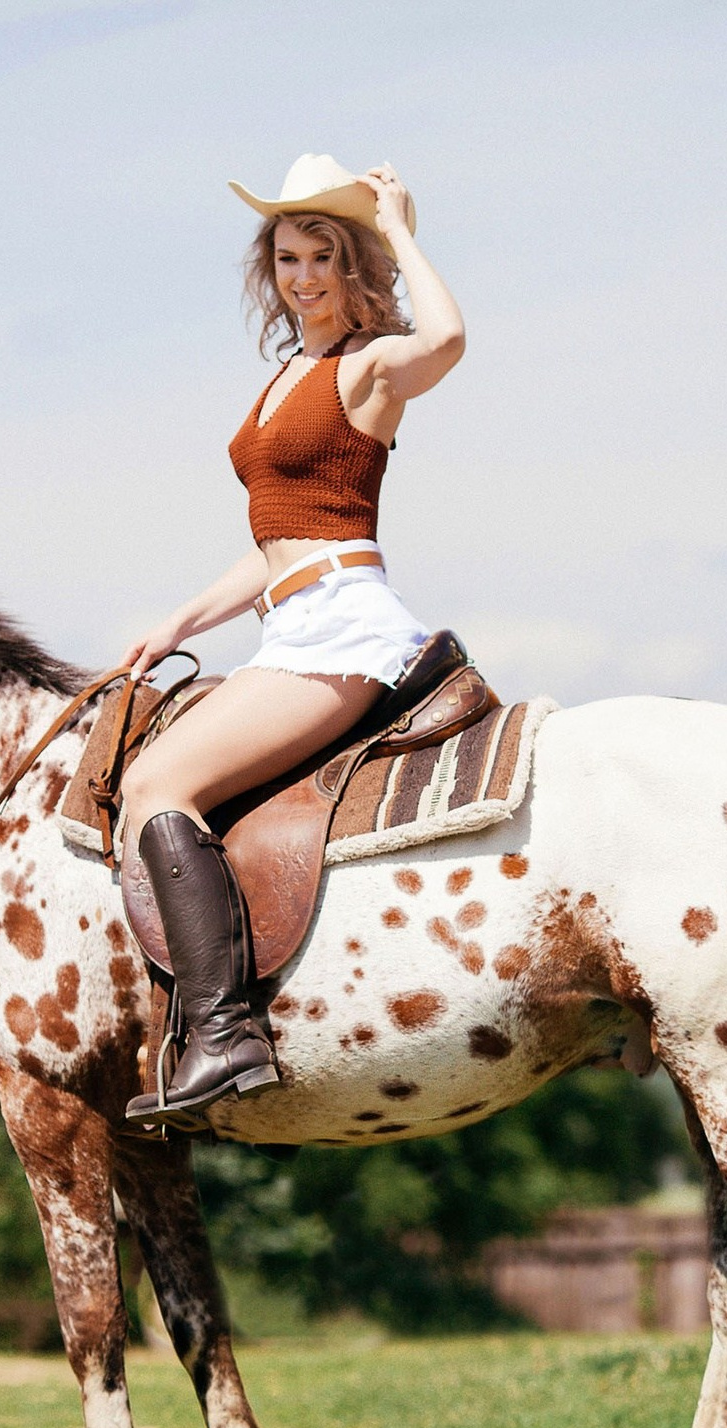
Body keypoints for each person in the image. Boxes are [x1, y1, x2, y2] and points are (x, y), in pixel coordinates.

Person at [119, 154, 466, 1128]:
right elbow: (275, 542)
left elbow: (447, 338)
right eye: (285, 258)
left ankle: (225, 1032)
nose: (302, 276)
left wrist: (398, 228)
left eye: (322, 256)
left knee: (157, 784)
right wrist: (180, 621)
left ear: (354, 266)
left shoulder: (368, 366)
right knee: (147, 770)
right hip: (290, 621)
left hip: (344, 629)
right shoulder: (284, 378)